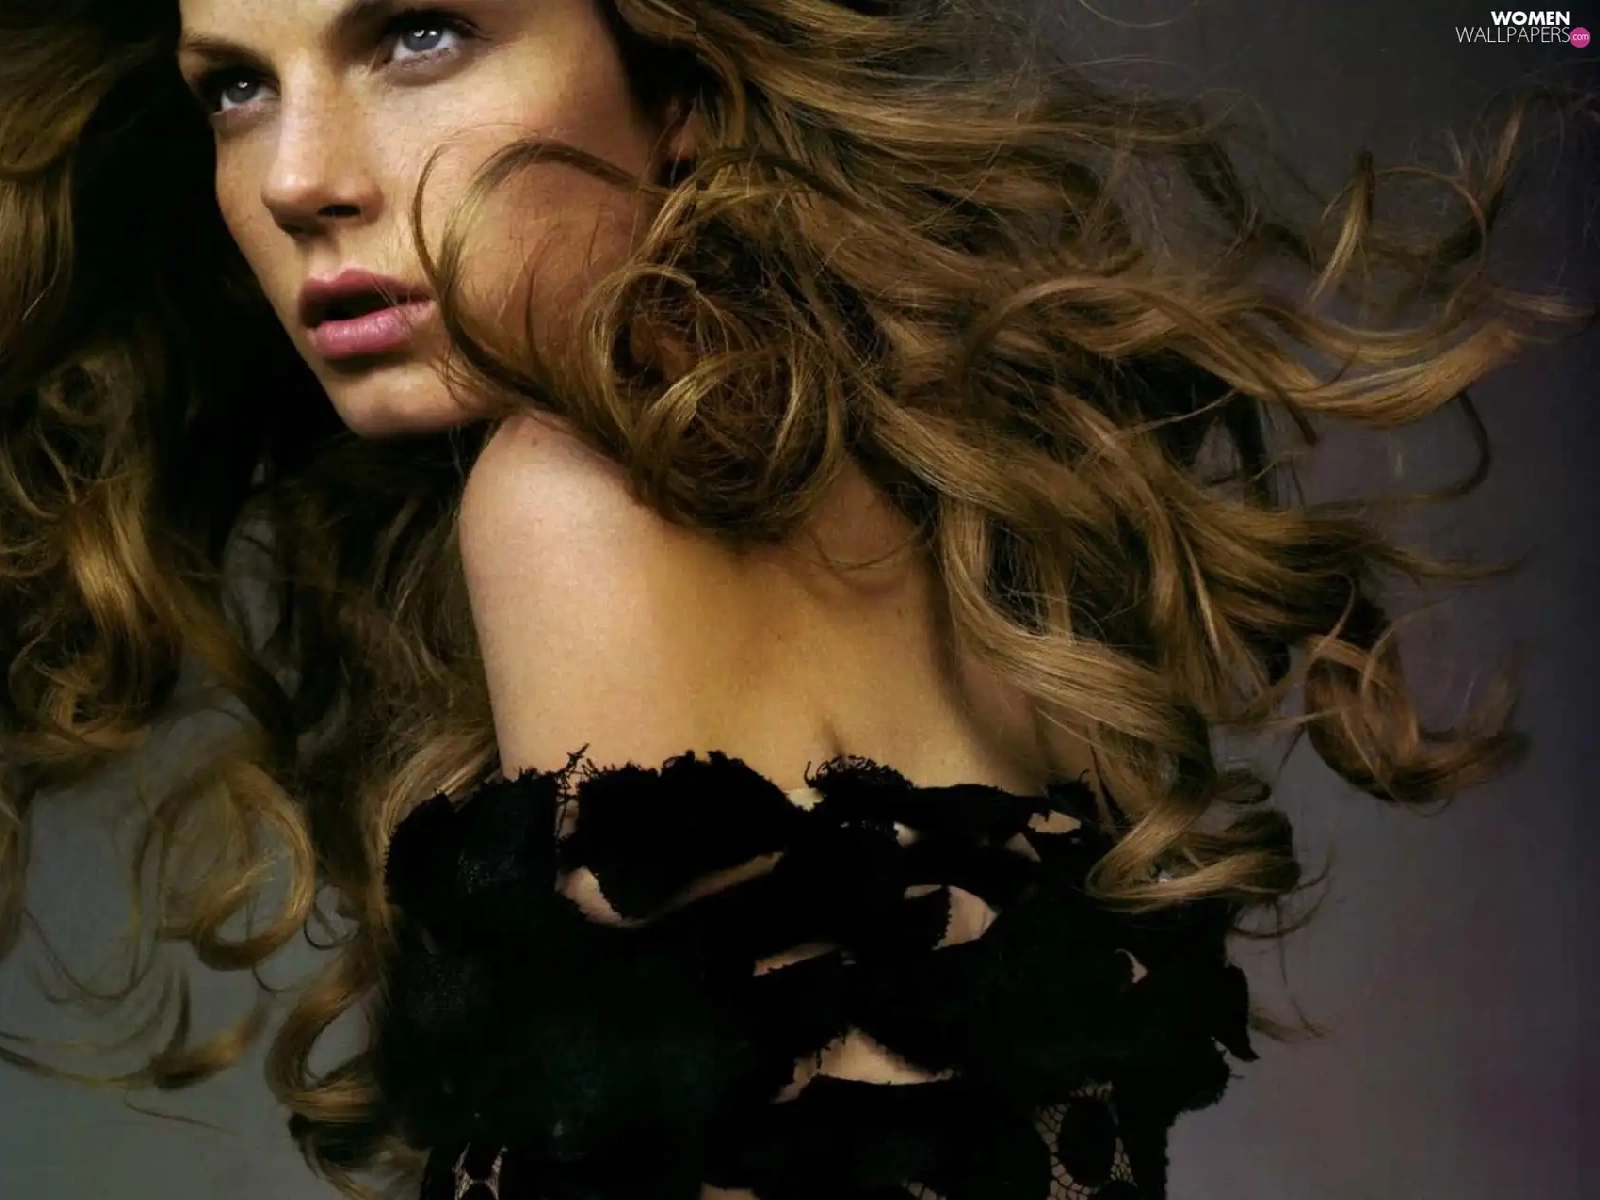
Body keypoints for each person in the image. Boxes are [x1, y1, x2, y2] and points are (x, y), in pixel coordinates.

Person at [0, 1, 1590, 1198]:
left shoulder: (581, 498)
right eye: (235, 86)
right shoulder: (925, 490)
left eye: (420, 35)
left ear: (681, 78)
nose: (294, 179)